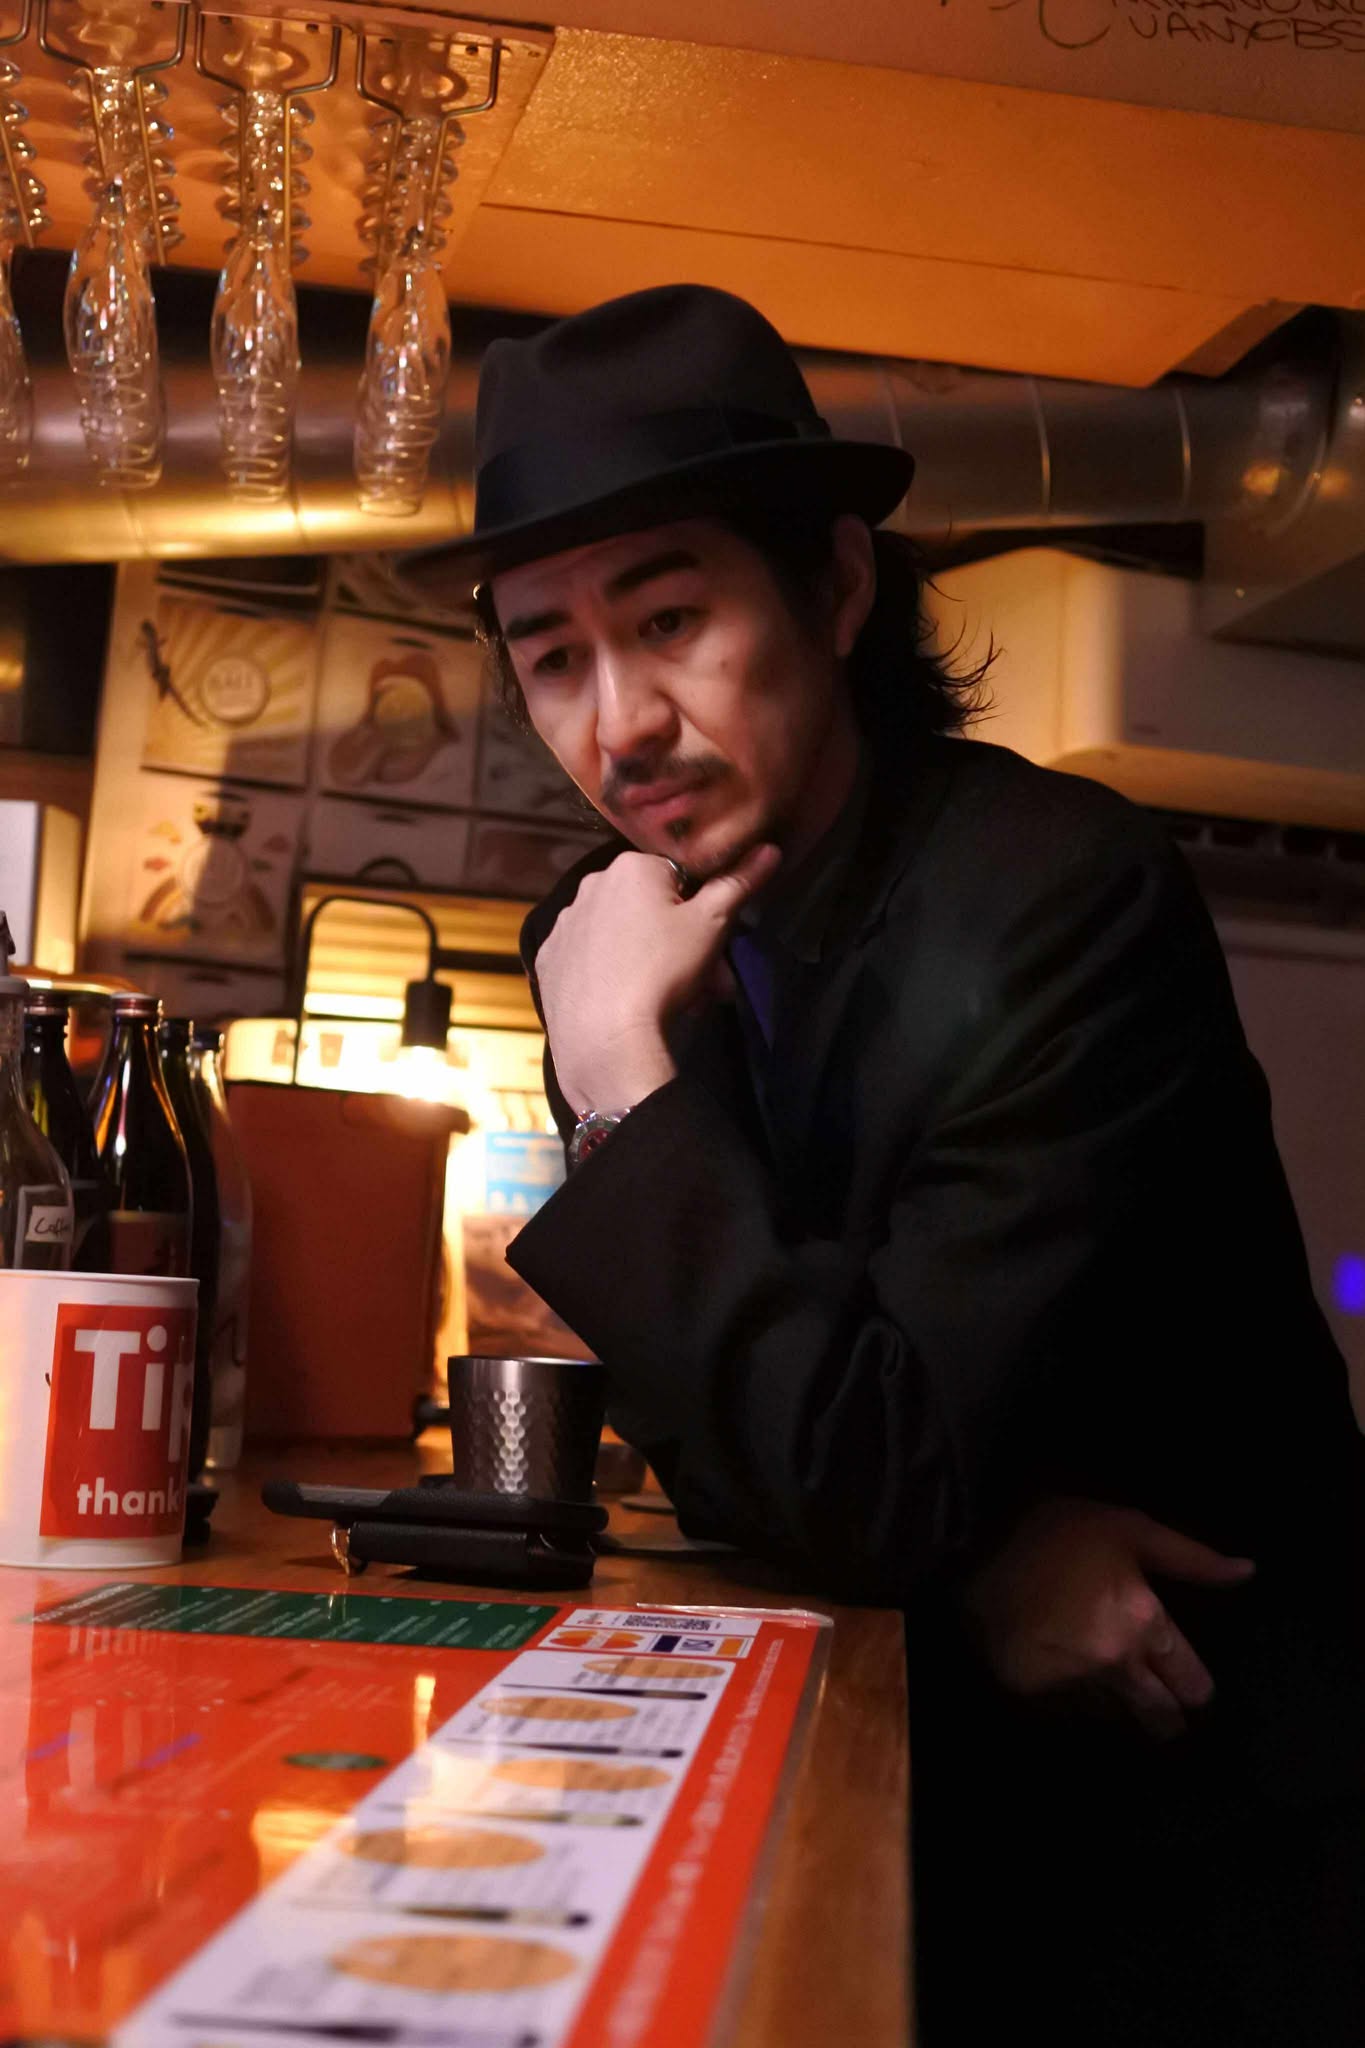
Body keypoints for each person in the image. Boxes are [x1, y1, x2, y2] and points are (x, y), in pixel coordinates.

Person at [398, 284, 1365, 2043]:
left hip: (1193, 1769)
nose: (619, 727)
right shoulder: (604, 940)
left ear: (835, 591)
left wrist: (618, 1083)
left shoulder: (1054, 895)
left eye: (671, 619)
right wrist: (979, 1562)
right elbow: (734, 1458)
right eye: (552, 659)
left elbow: (861, 1479)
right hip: (910, 1726)